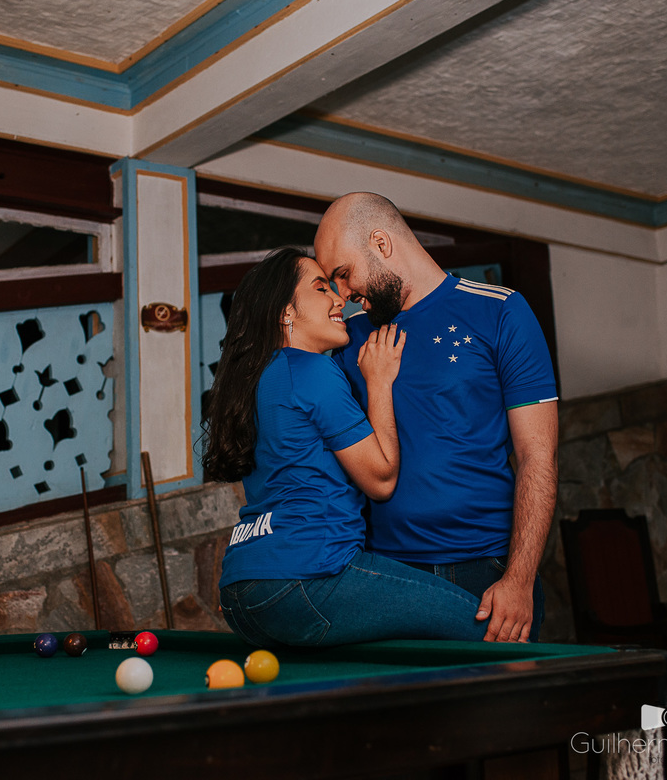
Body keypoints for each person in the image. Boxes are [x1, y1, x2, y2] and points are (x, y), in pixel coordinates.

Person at [204, 247, 487, 649]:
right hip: (308, 577)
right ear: (286, 311)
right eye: (321, 288)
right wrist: (379, 381)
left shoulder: (256, 378)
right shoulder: (311, 369)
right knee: (486, 628)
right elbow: (381, 479)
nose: (339, 299)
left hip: (241, 590)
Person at [314, 192, 558, 643]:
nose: (343, 294)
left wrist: (519, 579)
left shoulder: (500, 311)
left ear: (381, 244)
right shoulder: (349, 339)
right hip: (385, 574)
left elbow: (537, 456)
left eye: (343, 274)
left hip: (487, 575)